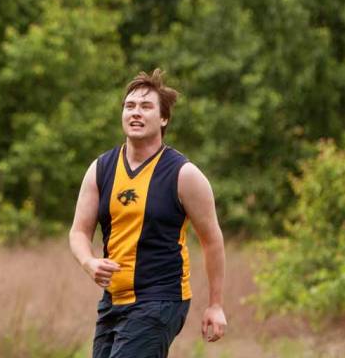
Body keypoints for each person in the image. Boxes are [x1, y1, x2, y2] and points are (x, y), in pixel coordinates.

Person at [68, 69, 227, 358]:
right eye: (130, 106)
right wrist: (88, 261)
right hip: (113, 301)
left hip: (161, 299)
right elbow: (79, 231)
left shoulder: (183, 174)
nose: (135, 113)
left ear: (163, 118)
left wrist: (215, 305)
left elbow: (212, 240)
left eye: (146, 106)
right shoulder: (101, 169)